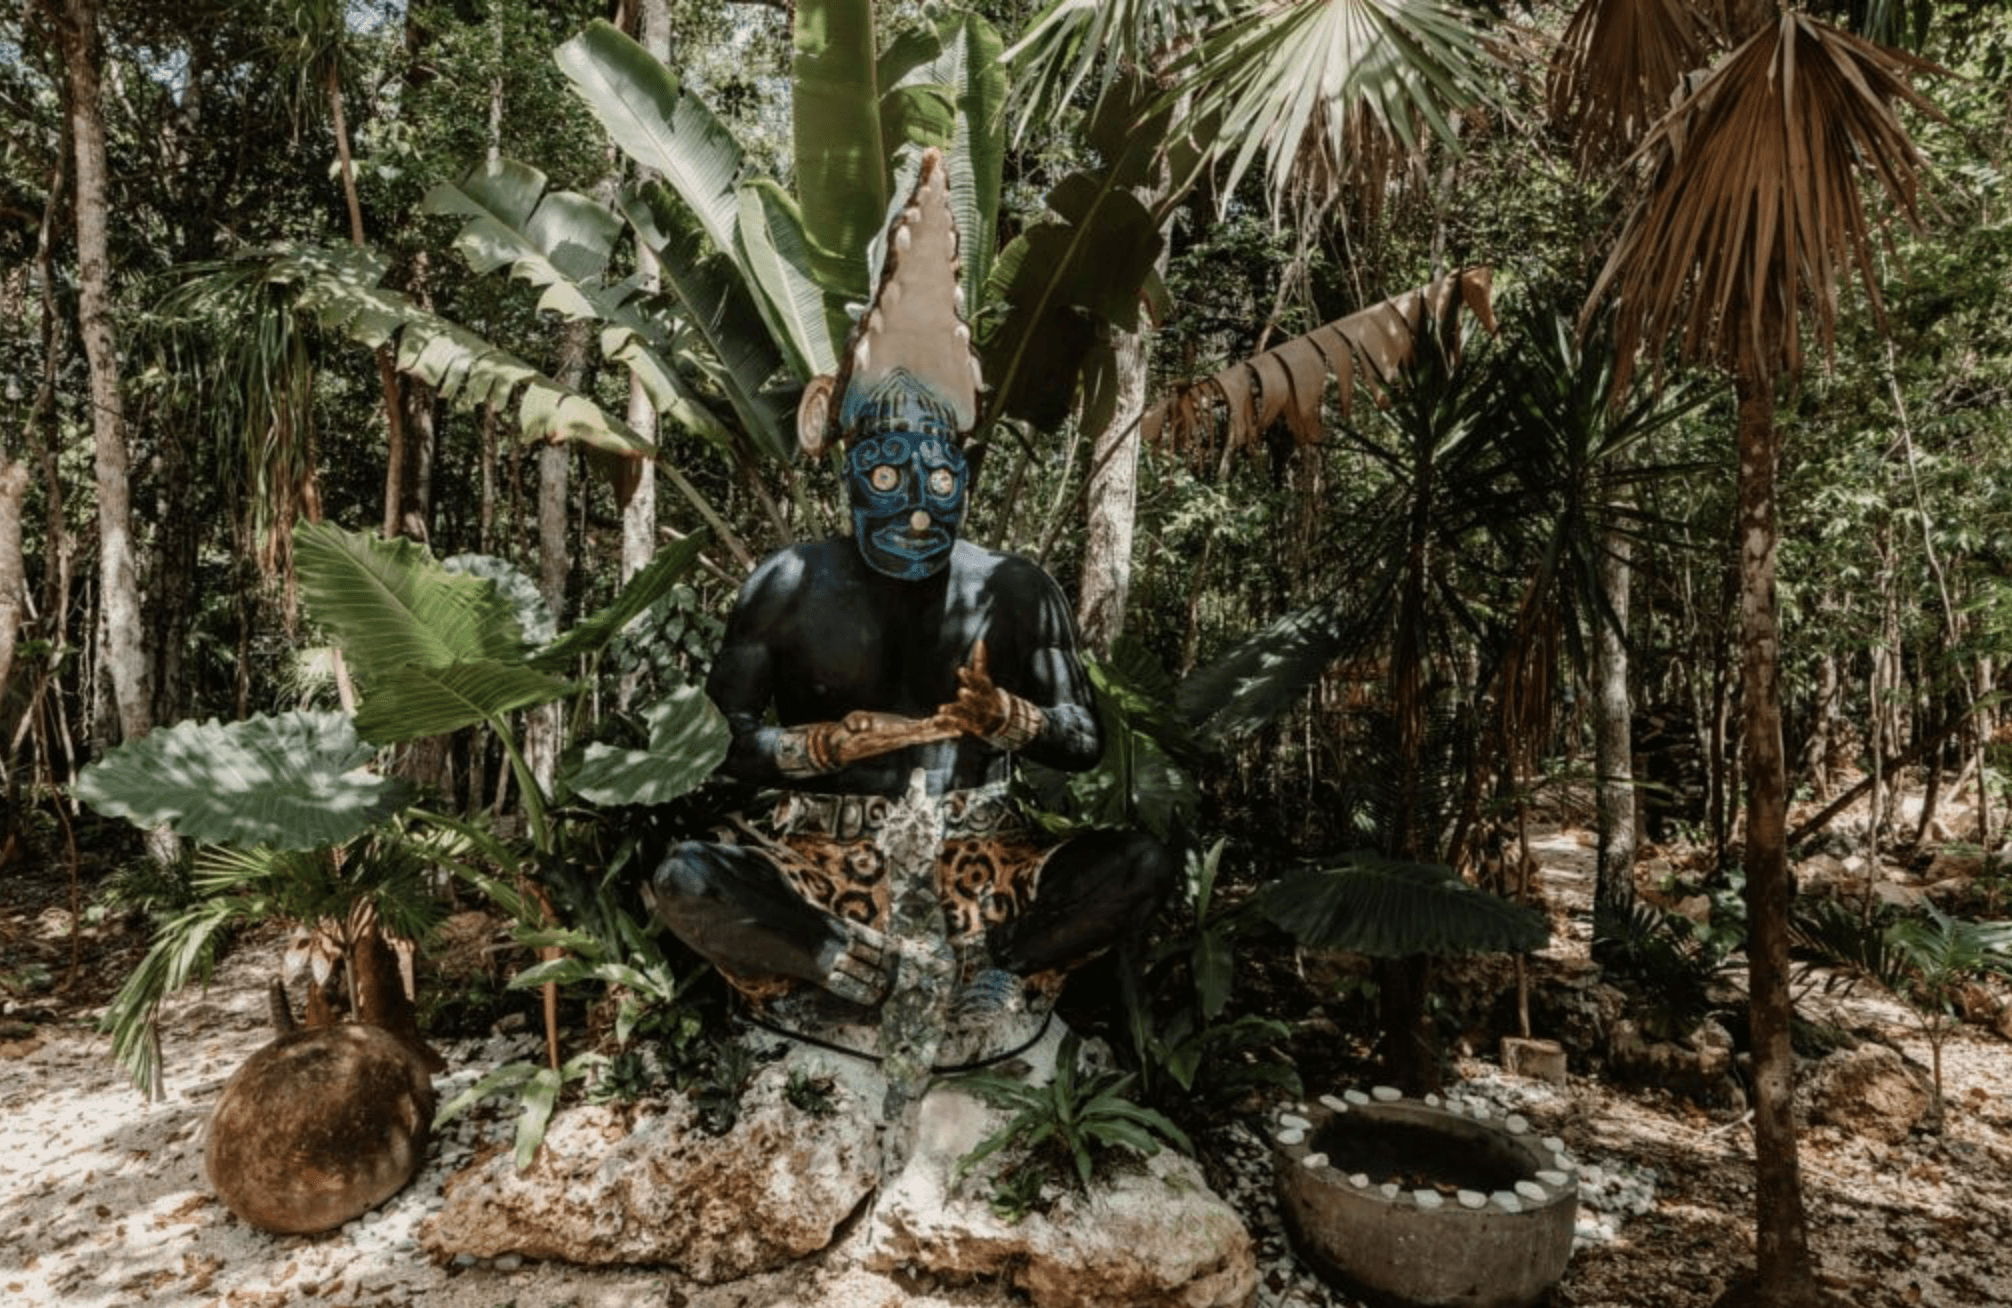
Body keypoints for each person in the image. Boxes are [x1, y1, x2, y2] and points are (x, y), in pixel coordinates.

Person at [648, 152, 1173, 1045]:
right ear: (848, 472)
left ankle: (999, 964)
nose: (917, 503)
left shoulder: (1014, 587)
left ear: (963, 474)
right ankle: (848, 962)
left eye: (937, 477)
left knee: (1143, 862)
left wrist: (1013, 719)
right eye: (886, 473)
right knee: (685, 879)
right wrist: (818, 744)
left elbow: (1084, 743)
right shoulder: (787, 584)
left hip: (985, 859)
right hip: (821, 862)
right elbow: (718, 748)